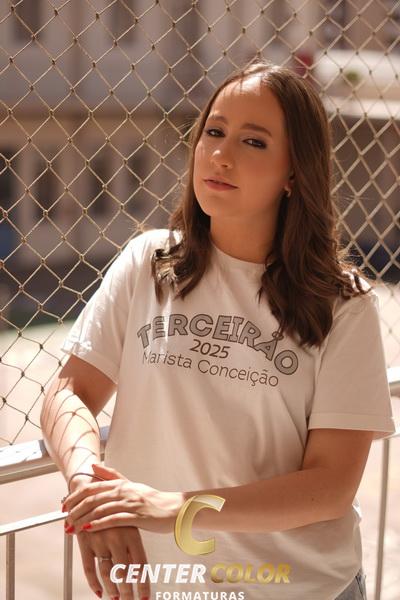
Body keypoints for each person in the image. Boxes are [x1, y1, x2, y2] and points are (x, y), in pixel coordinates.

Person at [40, 58, 396, 600]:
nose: (220, 155)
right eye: (214, 131)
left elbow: (329, 487)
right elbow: (69, 392)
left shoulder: (342, 305)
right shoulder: (149, 263)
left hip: (297, 588)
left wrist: (173, 509)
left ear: (294, 173)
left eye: (253, 142)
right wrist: (91, 490)